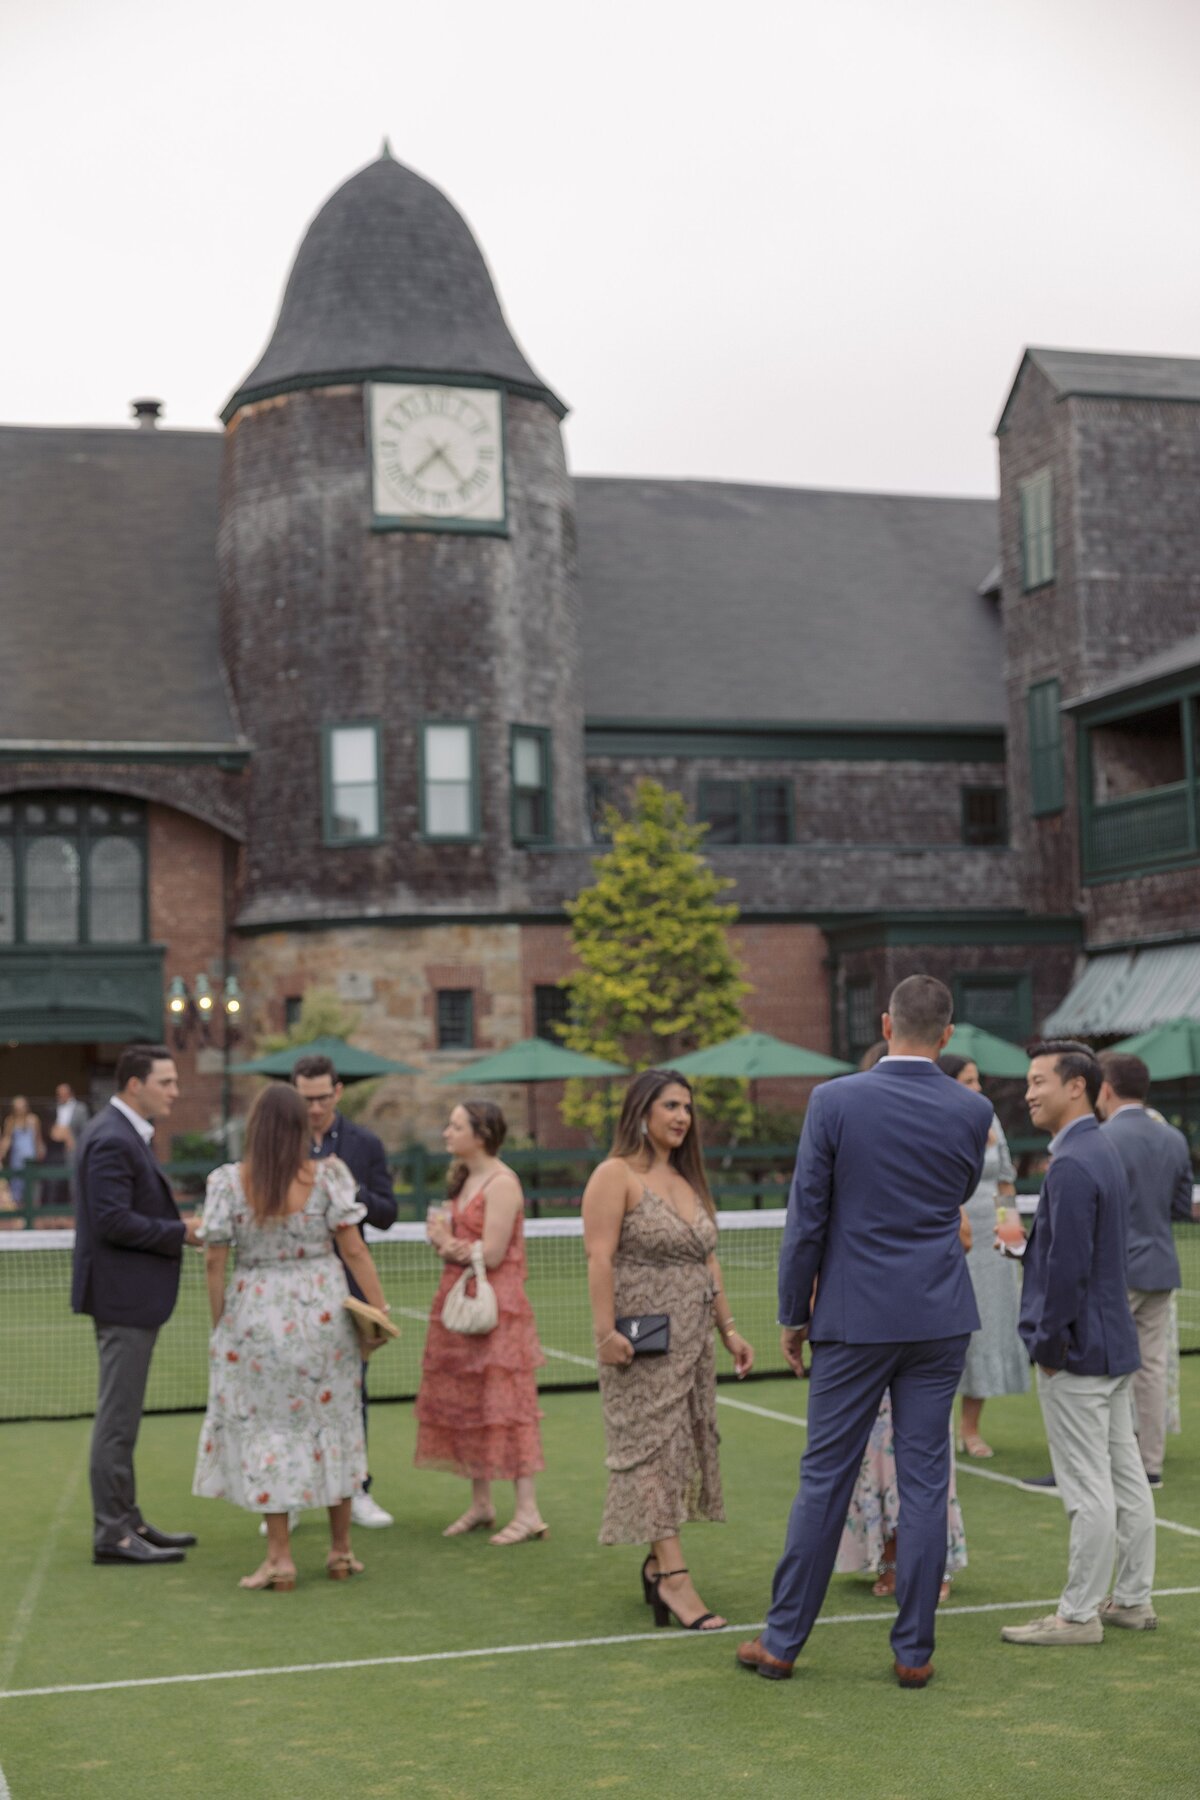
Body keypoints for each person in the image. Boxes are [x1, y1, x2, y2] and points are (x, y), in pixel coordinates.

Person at [737, 974, 991, 1687]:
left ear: (886, 1024)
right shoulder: (972, 1110)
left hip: (854, 1319)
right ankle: (914, 1652)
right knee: (926, 1479)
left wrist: (794, 1314)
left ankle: (782, 1642)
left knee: (825, 1478)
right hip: (940, 1314)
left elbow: (806, 1218)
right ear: (947, 1034)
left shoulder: (836, 1100)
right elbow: (957, 1193)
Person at [193, 1082, 389, 1590]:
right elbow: (356, 1251)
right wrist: (379, 1312)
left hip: (255, 1314)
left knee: (268, 1431)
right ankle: (341, 1552)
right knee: (336, 1421)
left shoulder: (229, 1183)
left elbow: (215, 1259)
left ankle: (280, 1557)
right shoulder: (327, 1177)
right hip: (323, 1313)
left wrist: (221, 1322)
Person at [582, 1070, 754, 1632]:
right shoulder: (615, 1175)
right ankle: (676, 1580)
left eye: (687, 1107)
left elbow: (707, 1261)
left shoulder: (686, 1177)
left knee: (679, 1451)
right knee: (651, 1451)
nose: (682, 1116)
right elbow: (599, 1258)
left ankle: (657, 1567)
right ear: (642, 1112)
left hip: (694, 1344)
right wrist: (606, 1334)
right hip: (641, 1343)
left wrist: (729, 1331)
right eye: (671, 1106)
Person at [1000, 1041, 1156, 1647]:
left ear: (1077, 1087)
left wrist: (1047, 1343)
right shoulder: (1100, 1149)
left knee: (1089, 1487)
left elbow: (1067, 1270)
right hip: (1111, 1345)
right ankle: (1133, 1600)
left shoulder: (1073, 1162)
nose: (1029, 1092)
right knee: (1124, 1477)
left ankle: (1078, 1613)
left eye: (1039, 1081)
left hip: (1081, 1351)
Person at [71, 1044, 203, 1565]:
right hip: (122, 1299)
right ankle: (113, 1534)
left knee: (123, 1418)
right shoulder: (111, 1138)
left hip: (131, 1297)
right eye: (166, 1082)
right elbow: (112, 1221)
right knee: (117, 1420)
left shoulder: (122, 1134)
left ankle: (129, 1521)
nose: (175, 1091)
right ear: (134, 1085)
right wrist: (182, 1233)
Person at [416, 1100, 548, 1545]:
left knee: (506, 1404)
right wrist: (445, 1241)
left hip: (497, 1308)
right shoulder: (463, 1178)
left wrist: (445, 1241)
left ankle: (528, 1511)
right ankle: (481, 1503)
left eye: (455, 1126)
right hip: (459, 1299)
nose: (446, 1133)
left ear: (481, 1133)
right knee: (470, 1403)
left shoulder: (502, 1183)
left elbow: (490, 1254)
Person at [293, 1054, 399, 1530]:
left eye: (321, 1097)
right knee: (292, 1393)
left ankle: (356, 1488)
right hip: (293, 1288)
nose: (313, 1107)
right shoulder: (281, 1140)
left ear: (337, 1092)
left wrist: (349, 1189)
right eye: (305, 1098)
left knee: (351, 1391)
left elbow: (387, 1213)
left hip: (348, 1291)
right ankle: (290, 1495)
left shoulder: (364, 1143)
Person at [1096, 1052, 1194, 1487]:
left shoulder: (1101, 1139)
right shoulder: (1172, 1138)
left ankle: (1106, 1458)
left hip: (1116, 1270)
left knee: (1100, 1368)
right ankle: (1149, 1464)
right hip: (1160, 1266)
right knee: (1151, 1370)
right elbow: (1180, 1208)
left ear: (1106, 1088)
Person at [939, 1053, 1028, 1456]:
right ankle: (933, 1428)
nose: (977, 1089)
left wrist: (1011, 1237)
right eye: (968, 1081)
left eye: (978, 1081)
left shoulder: (990, 1120)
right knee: (947, 1334)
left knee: (989, 1327)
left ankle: (971, 1428)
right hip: (947, 1240)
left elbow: (1005, 1180)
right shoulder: (934, 1121)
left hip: (992, 1246)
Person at [0, 1096, 45, 1210]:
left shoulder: (33, 1119)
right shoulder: (10, 1120)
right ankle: (19, 1212)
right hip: (17, 1158)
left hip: (30, 1157)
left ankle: (33, 1211)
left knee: (32, 1185)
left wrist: (40, 1150)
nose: (20, 1109)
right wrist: (2, 1152)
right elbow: (7, 1139)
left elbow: (37, 1138)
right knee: (17, 1184)